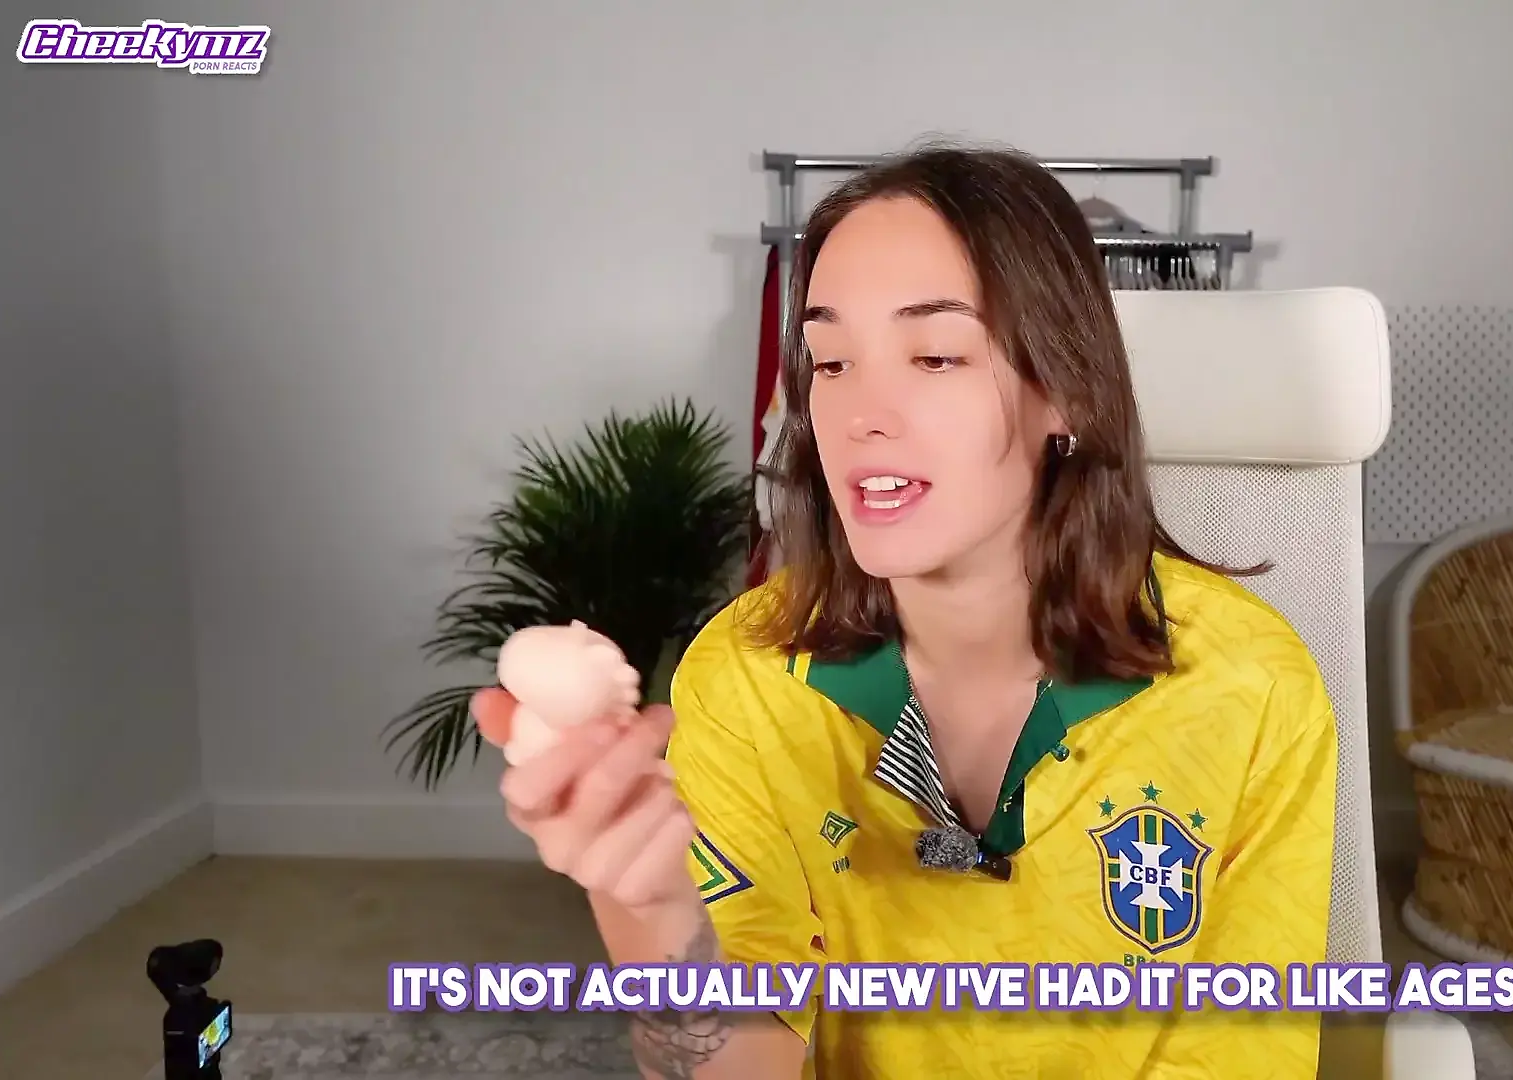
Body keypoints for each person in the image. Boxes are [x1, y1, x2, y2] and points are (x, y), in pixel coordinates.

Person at [471, 144, 1338, 1079]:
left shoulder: (1250, 685)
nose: (861, 415)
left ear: (1069, 391)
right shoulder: (744, 680)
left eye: (934, 356)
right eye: (832, 361)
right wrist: (651, 915)